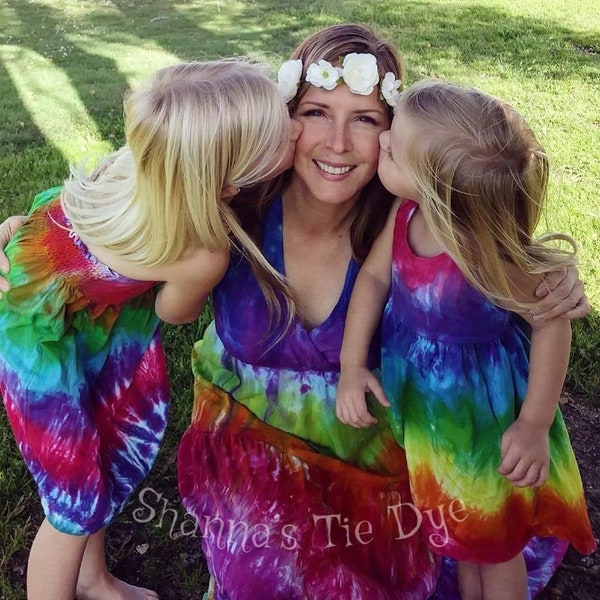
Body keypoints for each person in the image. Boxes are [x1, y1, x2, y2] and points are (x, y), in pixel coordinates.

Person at [172, 25, 590, 600]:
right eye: (317, 112)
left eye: (366, 119)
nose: (338, 143)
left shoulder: (421, 219)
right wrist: (28, 230)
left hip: (390, 458)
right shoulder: (230, 200)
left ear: (395, 134)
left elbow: (500, 232)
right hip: (256, 451)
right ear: (283, 117)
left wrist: (551, 275)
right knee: (264, 580)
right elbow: (136, 181)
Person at [0, 58, 298, 600]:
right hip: (39, 346)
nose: (297, 130)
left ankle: (94, 581)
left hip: (65, 308)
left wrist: (18, 233)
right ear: (228, 183)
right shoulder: (200, 252)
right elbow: (172, 313)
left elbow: (59, 217)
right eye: (281, 133)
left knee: (99, 453)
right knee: (71, 500)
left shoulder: (134, 165)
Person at [335, 79, 596, 599]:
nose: (382, 140)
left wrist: (534, 424)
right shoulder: (406, 212)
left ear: (435, 185)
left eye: (394, 148)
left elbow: (552, 322)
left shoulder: (482, 254)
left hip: (479, 419)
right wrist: (350, 365)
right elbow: (374, 279)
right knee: (461, 530)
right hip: (430, 407)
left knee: (493, 543)